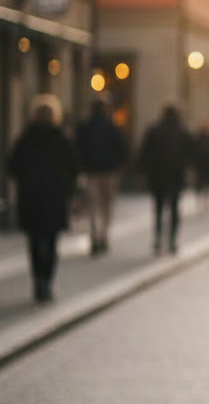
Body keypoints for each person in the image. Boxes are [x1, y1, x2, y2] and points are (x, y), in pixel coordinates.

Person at [8, 95, 79, 303]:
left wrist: (25, 179)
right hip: (54, 196)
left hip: (31, 196)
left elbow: (13, 165)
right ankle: (47, 281)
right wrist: (68, 188)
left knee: (34, 240)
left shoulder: (26, 138)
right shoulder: (61, 138)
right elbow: (74, 166)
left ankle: (38, 280)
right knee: (51, 240)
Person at [74, 94, 128, 255]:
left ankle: (94, 234)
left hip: (90, 172)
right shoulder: (112, 126)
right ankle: (104, 235)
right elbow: (122, 148)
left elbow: (77, 149)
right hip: (109, 172)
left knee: (93, 206)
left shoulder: (84, 127)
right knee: (107, 206)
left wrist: (80, 167)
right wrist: (118, 165)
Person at [137, 102, 192, 255]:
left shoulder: (154, 130)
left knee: (159, 209)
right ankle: (172, 240)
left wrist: (142, 172)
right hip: (175, 175)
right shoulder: (182, 131)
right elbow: (190, 154)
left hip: (158, 175)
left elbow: (144, 153)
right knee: (174, 208)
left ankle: (158, 238)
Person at [191, 121, 209, 213]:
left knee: (208, 185)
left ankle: (206, 202)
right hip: (201, 166)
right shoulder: (197, 140)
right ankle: (202, 202)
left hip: (208, 165)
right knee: (201, 185)